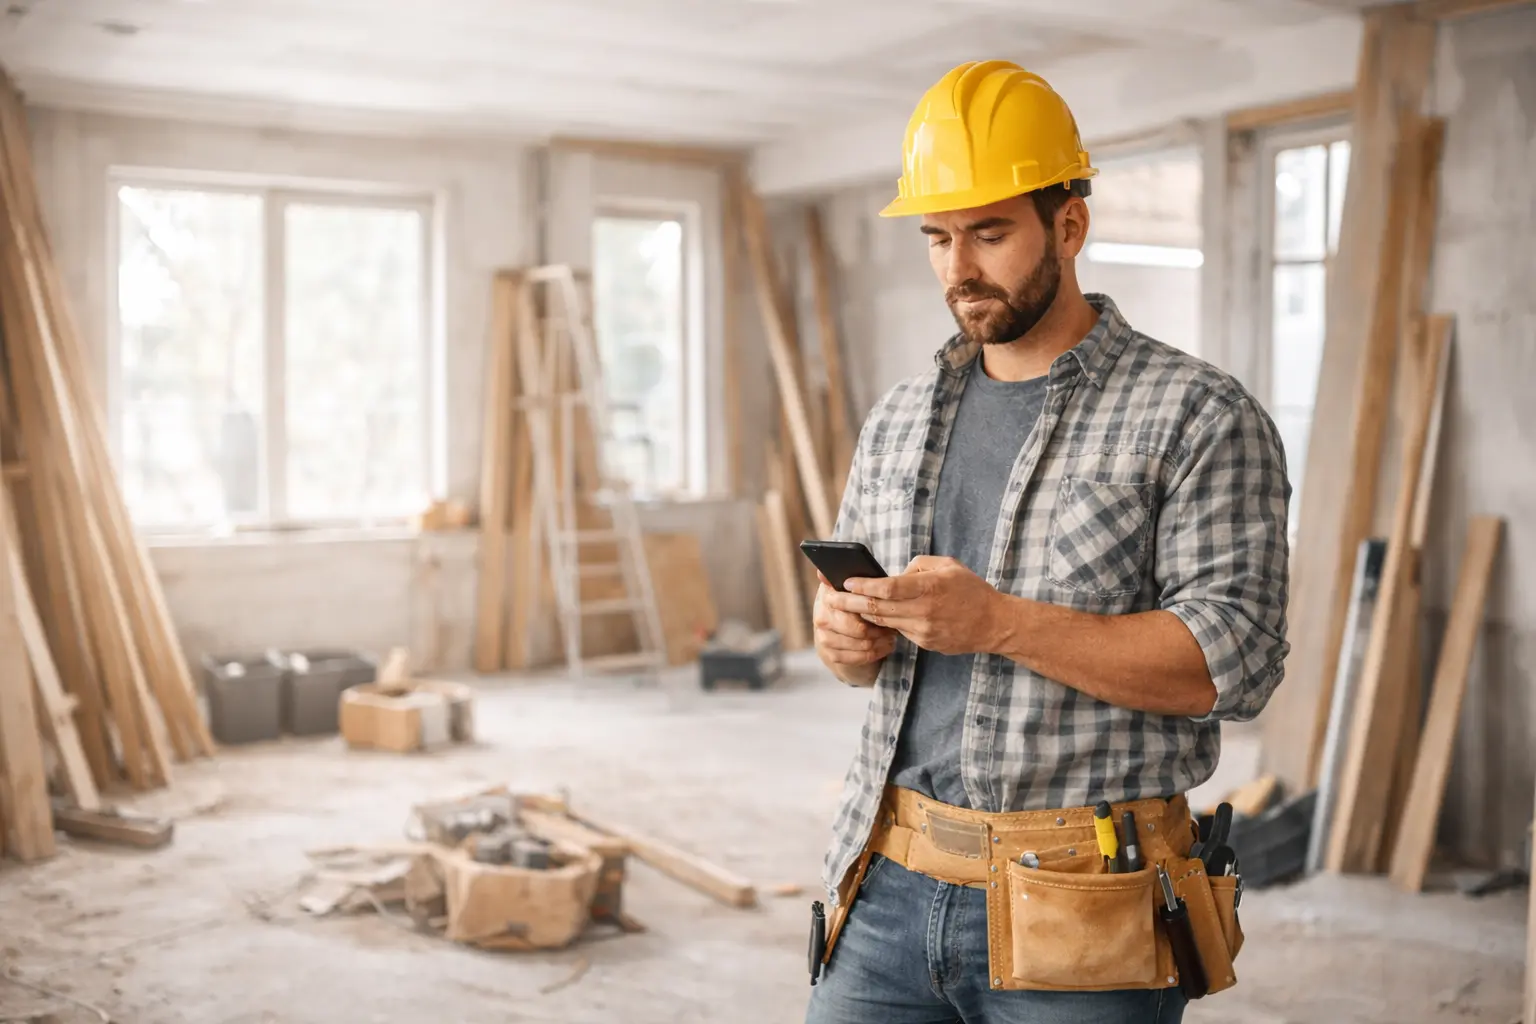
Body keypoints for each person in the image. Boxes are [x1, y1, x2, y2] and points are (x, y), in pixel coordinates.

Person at [805, 60, 1291, 1024]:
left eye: (989, 232)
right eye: (938, 237)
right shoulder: (899, 418)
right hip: (888, 881)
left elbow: (1231, 664)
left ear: (1069, 224)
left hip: (1088, 902)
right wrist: (845, 639)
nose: (958, 267)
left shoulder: (1197, 413)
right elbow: (873, 663)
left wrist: (998, 623)